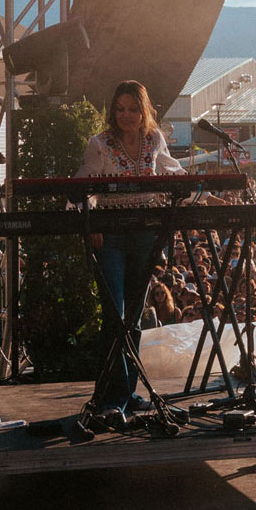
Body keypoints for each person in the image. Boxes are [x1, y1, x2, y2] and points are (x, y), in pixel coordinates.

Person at [75, 80, 184, 423]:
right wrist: (91, 223)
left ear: (144, 110)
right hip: (111, 234)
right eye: (120, 109)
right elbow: (82, 187)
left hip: (145, 235)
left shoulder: (154, 140)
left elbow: (171, 170)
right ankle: (112, 396)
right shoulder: (100, 144)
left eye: (133, 109)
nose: (126, 115)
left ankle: (125, 392)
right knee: (114, 313)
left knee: (134, 317)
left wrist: (195, 187)